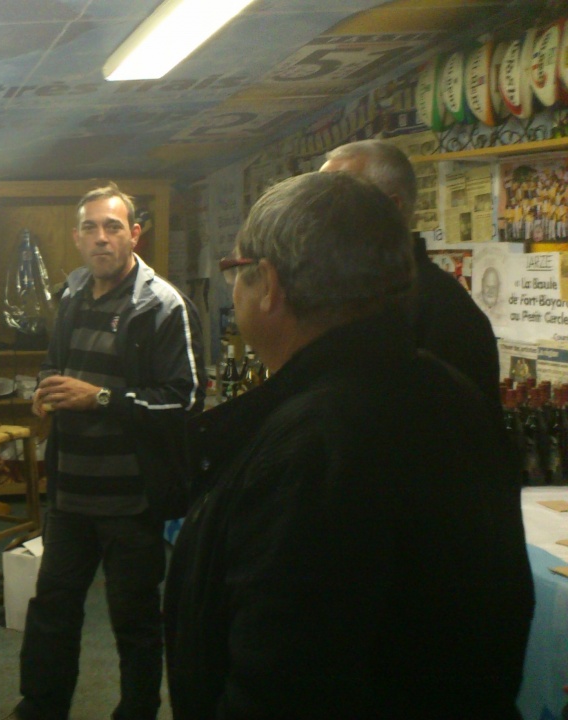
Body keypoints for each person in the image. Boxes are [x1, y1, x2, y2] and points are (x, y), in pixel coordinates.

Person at [165, 172, 533, 720]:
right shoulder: (446, 390)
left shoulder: (311, 445)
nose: (233, 287)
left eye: (235, 270)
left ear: (269, 285)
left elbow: (282, 687)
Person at [11, 183, 203, 720]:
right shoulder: (71, 293)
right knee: (52, 610)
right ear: (77, 237)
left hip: (132, 500)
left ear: (134, 234)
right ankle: (41, 707)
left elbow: (184, 401)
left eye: (113, 227)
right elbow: (55, 362)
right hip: (70, 492)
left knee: (134, 620)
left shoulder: (161, 305)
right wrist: (47, 388)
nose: (101, 237)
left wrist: (99, 398)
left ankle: (136, 712)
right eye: (91, 228)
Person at [320, 139, 499, 408]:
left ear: (390, 207)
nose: (318, 214)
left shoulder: (442, 308)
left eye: (335, 198)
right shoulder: (344, 295)